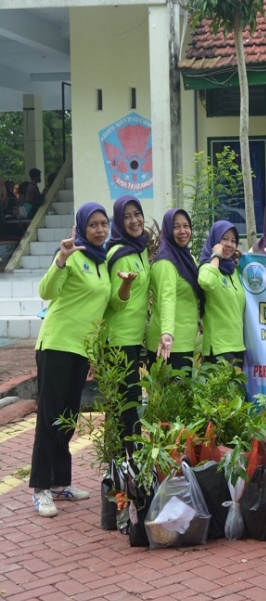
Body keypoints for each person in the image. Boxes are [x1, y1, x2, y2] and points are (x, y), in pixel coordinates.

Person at [30, 202, 111, 518]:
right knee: (49, 417)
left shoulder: (102, 262)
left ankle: (60, 482)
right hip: (57, 345)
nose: (99, 229)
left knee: (68, 417)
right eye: (93, 224)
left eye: (103, 223)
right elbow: (45, 291)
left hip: (81, 350)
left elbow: (98, 311)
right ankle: (40, 488)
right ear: (81, 228)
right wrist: (61, 259)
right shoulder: (73, 256)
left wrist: (94, 354)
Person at [104, 195, 150, 454]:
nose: (134, 220)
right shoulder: (119, 253)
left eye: (137, 214)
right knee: (126, 408)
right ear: (119, 222)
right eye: (127, 216)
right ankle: (124, 468)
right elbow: (114, 302)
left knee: (126, 407)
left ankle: (121, 469)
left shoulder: (139, 248)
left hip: (132, 340)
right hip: (118, 341)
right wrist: (126, 285)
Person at [147, 209, 201, 370]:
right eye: (176, 227)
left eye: (186, 226)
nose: (182, 231)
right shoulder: (166, 263)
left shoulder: (188, 258)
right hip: (168, 345)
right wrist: (167, 333)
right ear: (169, 231)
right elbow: (167, 299)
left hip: (185, 341)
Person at [199, 220, 245, 365]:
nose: (229, 244)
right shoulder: (208, 267)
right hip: (218, 347)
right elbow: (206, 282)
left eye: (233, 241)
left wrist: (245, 261)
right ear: (214, 240)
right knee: (235, 388)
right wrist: (216, 256)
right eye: (224, 239)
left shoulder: (234, 272)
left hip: (238, 345)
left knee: (238, 388)